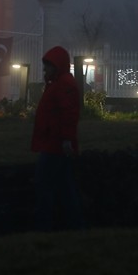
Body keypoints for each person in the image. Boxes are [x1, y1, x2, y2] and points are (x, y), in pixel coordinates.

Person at [31, 44, 84, 230]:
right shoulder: (62, 83)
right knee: (65, 187)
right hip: (58, 142)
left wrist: (66, 139)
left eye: (48, 66)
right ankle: (74, 224)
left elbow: (68, 114)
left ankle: (44, 224)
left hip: (55, 144)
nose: (45, 70)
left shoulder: (62, 85)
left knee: (45, 183)